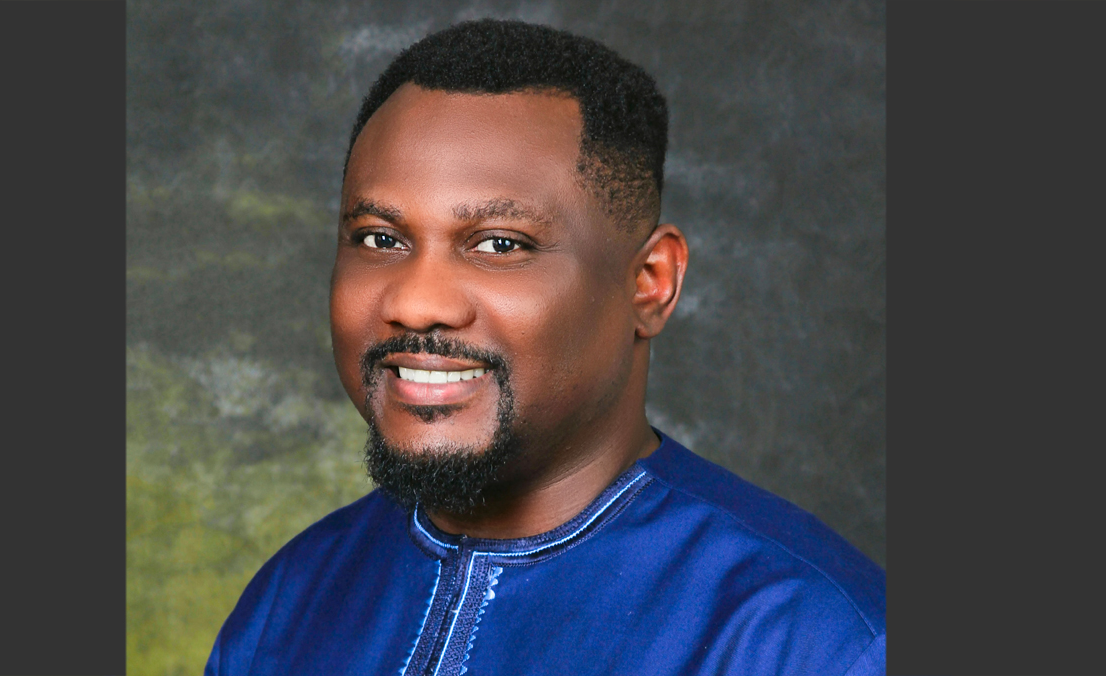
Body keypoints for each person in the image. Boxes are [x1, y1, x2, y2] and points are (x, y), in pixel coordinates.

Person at [205, 18, 885, 676]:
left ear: (649, 284)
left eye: (501, 245)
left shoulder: (816, 643)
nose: (416, 302)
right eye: (381, 239)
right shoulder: (290, 600)